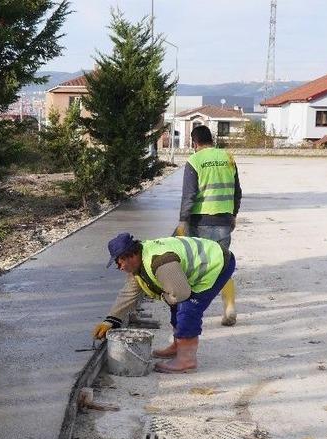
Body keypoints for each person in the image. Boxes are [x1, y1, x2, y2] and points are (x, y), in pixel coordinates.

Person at [93, 232, 236, 373]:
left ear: (129, 256)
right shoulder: (139, 264)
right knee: (176, 304)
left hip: (216, 264)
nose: (119, 268)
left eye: (118, 263)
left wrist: (164, 296)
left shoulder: (159, 262)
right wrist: (110, 320)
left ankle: (187, 361)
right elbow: (128, 293)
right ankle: (177, 346)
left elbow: (181, 293)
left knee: (188, 309)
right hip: (204, 260)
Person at [176, 125, 241, 326]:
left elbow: (189, 195)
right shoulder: (228, 157)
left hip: (200, 221)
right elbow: (237, 191)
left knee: (200, 267)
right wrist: (233, 214)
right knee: (222, 264)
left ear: (194, 143)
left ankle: (193, 312)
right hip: (223, 220)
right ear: (211, 139)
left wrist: (182, 221)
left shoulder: (194, 161)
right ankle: (229, 307)